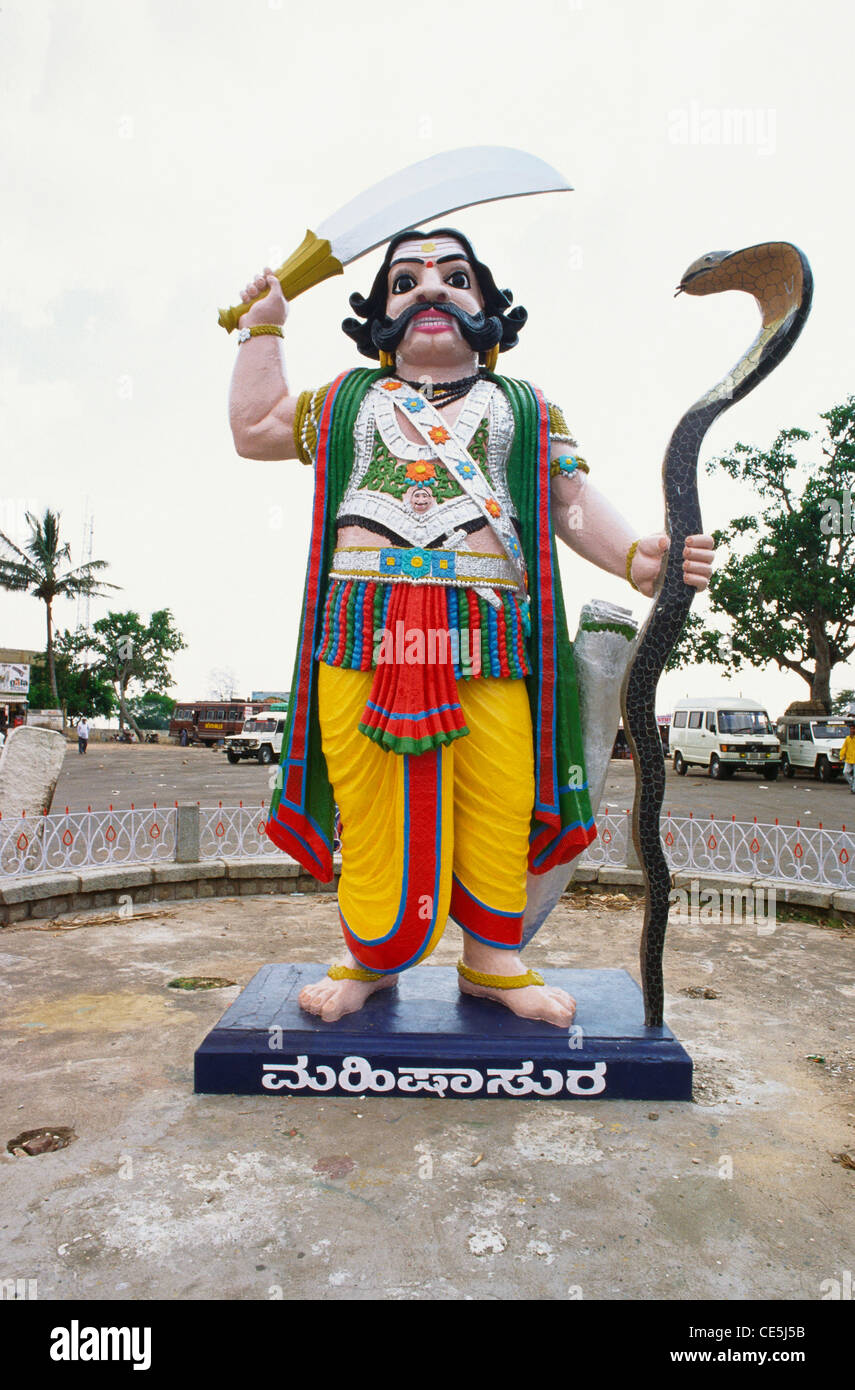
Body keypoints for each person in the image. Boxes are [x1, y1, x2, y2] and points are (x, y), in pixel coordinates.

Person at [229, 228, 715, 1026]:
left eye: (455, 277)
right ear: (377, 314)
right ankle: (371, 958)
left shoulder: (523, 407)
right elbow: (254, 432)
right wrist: (265, 327)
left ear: (489, 310)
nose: (430, 290)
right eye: (405, 281)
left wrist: (635, 558)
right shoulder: (345, 401)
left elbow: (566, 504)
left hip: (488, 631)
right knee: (371, 793)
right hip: (366, 627)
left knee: (498, 790)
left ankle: (492, 961)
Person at [841, 723, 855, 792]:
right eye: (851, 729)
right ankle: (853, 784)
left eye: (853, 729)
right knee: (845, 772)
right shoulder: (848, 738)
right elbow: (844, 748)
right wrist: (841, 756)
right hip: (849, 759)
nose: (852, 730)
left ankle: (853, 789)